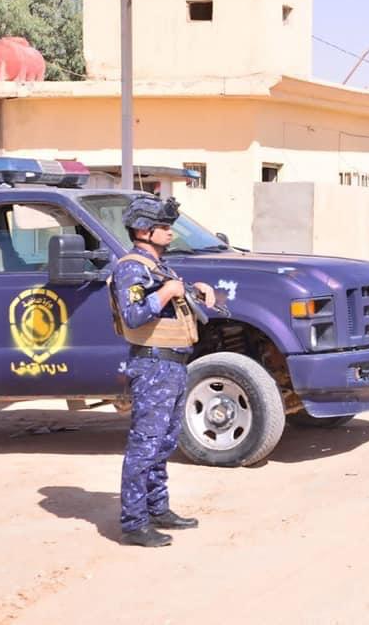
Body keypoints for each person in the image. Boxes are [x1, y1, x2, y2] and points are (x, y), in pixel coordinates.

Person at [111, 195, 216, 547]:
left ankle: (157, 508)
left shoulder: (159, 267)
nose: (170, 232)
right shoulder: (131, 268)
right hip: (153, 364)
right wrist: (168, 292)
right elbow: (134, 315)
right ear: (144, 230)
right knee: (145, 444)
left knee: (165, 441)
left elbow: (174, 303)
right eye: (163, 227)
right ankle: (134, 523)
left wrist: (196, 291)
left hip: (172, 363)